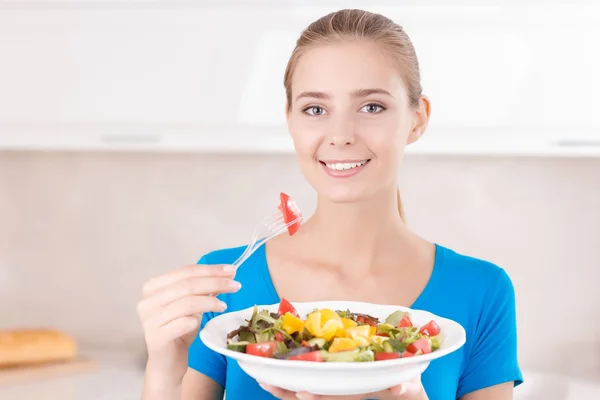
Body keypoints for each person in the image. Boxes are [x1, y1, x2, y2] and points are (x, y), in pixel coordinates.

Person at [137, 8, 523, 400]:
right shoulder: (223, 286)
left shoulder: (481, 291)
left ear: (417, 119)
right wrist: (163, 372)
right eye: (315, 109)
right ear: (291, 120)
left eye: (372, 107)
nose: (340, 136)